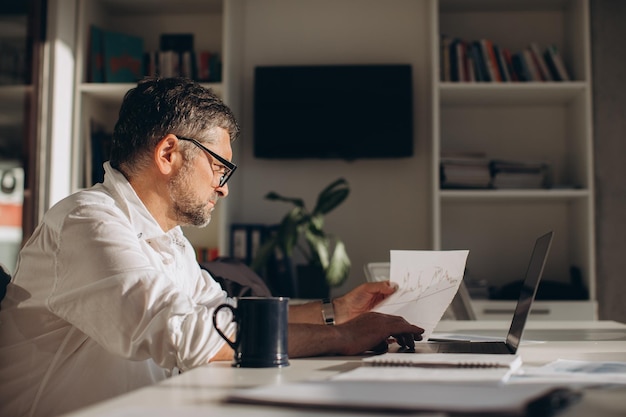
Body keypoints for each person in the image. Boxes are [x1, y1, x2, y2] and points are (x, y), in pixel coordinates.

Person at [0, 77, 423, 417]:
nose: (222, 188)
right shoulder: (87, 221)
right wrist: (344, 337)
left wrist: (335, 313)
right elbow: (188, 336)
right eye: (219, 167)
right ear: (169, 153)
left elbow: (222, 315)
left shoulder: (167, 239)